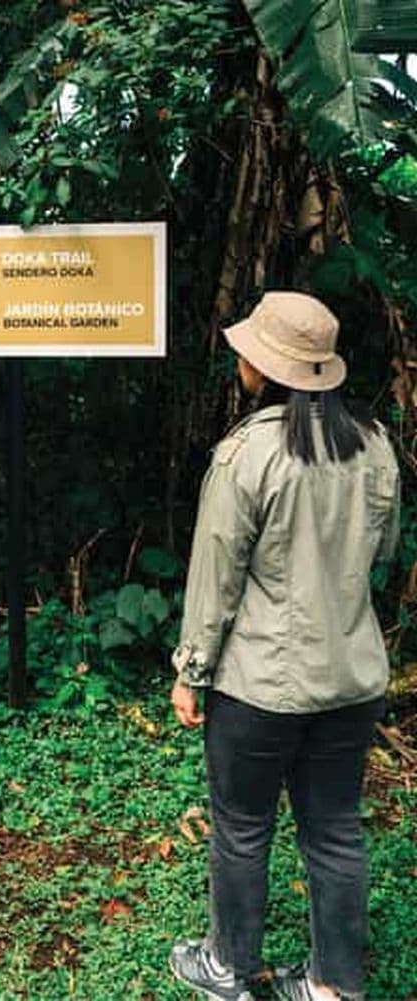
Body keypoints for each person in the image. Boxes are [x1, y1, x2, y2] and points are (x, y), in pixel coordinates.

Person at [166, 291, 400, 1001]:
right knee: (335, 831)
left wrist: (191, 671)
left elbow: (215, 577)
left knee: (241, 829)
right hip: (351, 677)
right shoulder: (374, 444)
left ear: (266, 368)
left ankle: (230, 968)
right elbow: (383, 554)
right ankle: (333, 986)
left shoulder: (248, 453)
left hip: (260, 686)